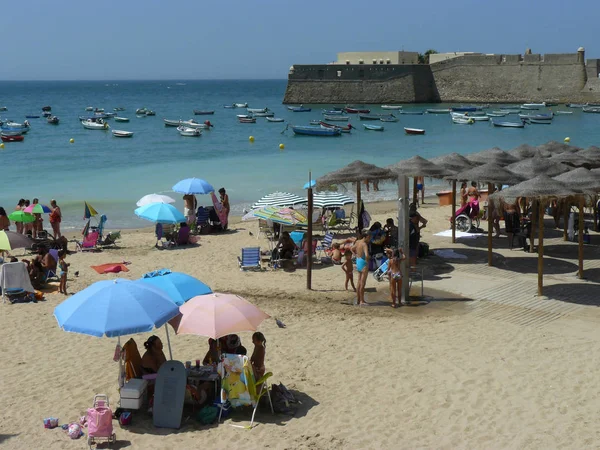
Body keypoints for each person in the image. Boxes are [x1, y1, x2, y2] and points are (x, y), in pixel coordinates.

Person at [352, 230, 370, 306]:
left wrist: (355, 255)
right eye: (369, 238)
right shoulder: (364, 244)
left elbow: (351, 248)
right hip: (363, 262)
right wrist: (367, 261)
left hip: (358, 260)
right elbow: (366, 255)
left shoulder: (357, 242)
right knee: (363, 282)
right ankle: (362, 301)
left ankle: (358, 299)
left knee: (359, 281)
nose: (369, 239)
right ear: (365, 237)